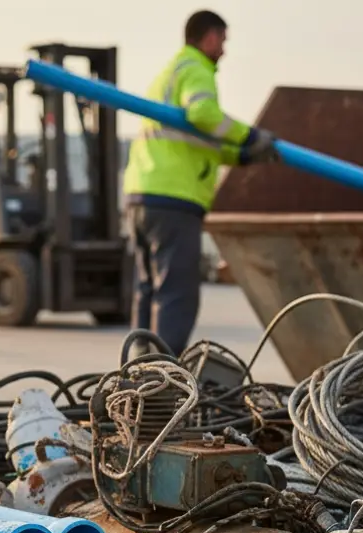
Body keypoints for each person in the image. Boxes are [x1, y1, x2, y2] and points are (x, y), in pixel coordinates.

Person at [122, 9, 280, 357]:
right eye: (222, 40)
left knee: (147, 291)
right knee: (177, 293)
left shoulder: (168, 73)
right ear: (209, 37)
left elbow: (197, 141)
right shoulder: (196, 70)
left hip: (141, 195)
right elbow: (204, 116)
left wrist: (244, 155)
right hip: (174, 197)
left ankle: (139, 372)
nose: (223, 49)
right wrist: (249, 135)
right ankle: (163, 376)